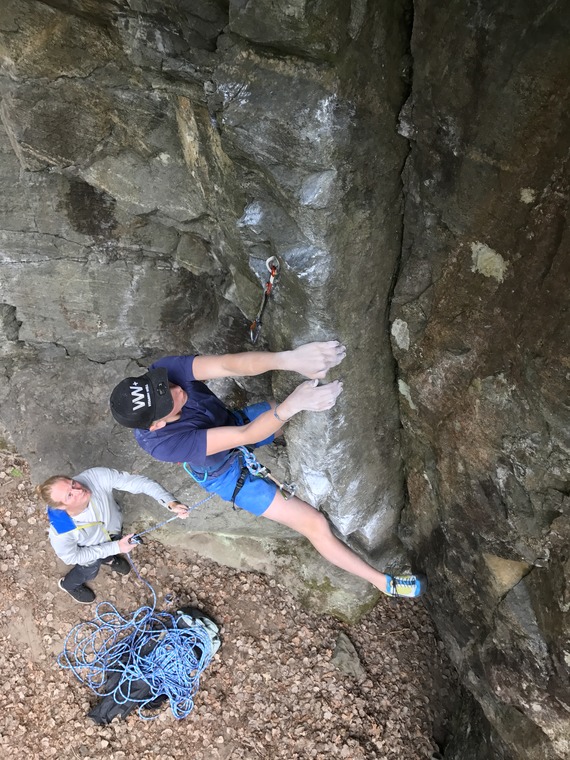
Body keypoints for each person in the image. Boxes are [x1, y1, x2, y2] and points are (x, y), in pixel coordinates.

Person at [110, 341, 426, 599]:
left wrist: (289, 359)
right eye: (166, 402)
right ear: (157, 423)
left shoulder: (164, 372)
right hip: (227, 475)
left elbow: (228, 365)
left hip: (230, 422)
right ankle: (382, 582)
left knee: (288, 412)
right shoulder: (162, 443)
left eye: (163, 386)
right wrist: (291, 406)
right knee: (314, 523)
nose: (175, 391)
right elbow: (244, 436)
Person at [37, 467, 189, 604]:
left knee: (112, 547)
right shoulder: (61, 531)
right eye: (70, 495)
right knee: (89, 571)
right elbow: (72, 557)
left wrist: (170, 503)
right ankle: (69, 585)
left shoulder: (95, 477)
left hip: (113, 532)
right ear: (62, 508)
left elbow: (140, 483)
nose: (79, 490)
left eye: (73, 483)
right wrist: (116, 548)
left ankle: (109, 558)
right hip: (89, 551)